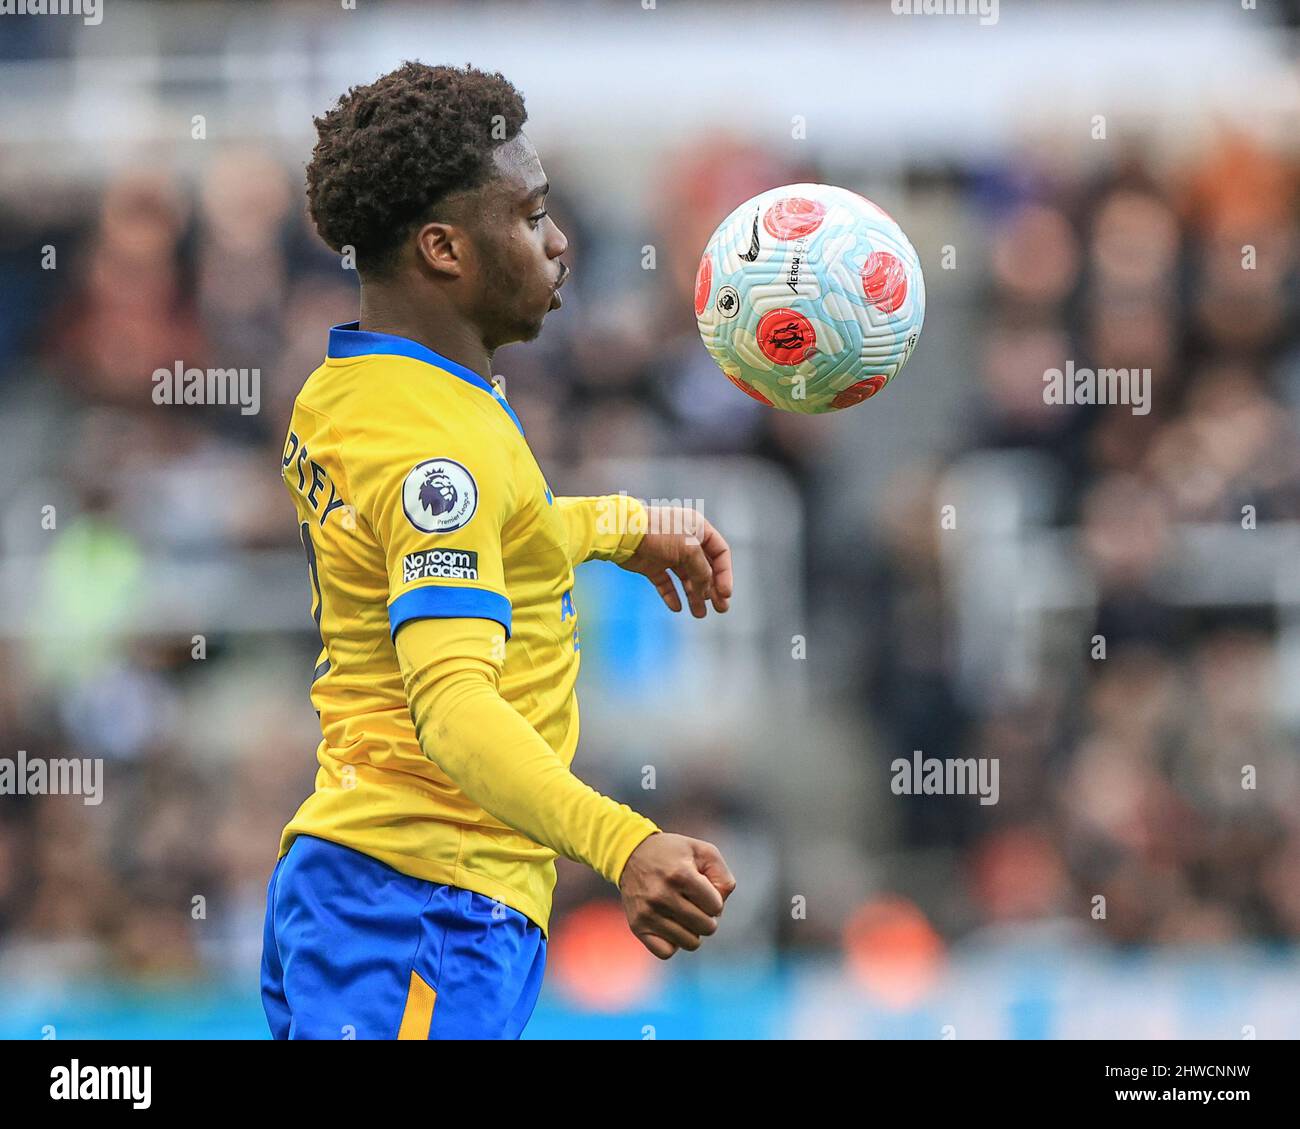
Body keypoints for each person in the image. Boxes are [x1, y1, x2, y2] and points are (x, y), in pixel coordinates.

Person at [260, 61, 736, 1040]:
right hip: (421, 901)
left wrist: (616, 525)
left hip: (390, 889)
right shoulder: (438, 439)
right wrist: (624, 842)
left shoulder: (355, 391)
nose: (559, 242)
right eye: (529, 215)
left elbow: (484, 536)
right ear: (444, 248)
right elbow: (454, 705)